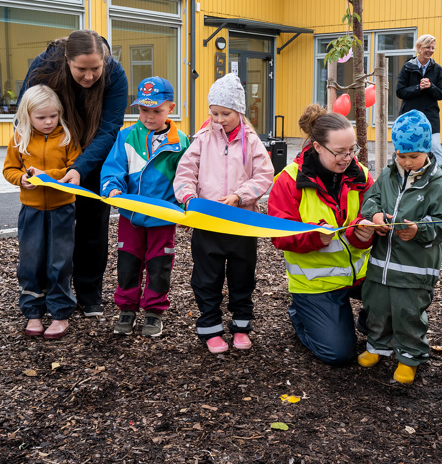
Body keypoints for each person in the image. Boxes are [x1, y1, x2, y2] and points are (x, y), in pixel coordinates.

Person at [20, 30, 129, 318]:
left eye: (96, 68)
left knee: (93, 226)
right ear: (67, 60)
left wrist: (80, 167)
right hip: (53, 158)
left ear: (104, 61)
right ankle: (48, 292)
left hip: (93, 157)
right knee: (52, 230)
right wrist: (29, 161)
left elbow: (109, 129)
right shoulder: (45, 66)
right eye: (82, 69)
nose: (90, 76)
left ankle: (89, 293)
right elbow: (26, 112)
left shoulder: (115, 76)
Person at [173, 73, 275, 354]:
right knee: (207, 278)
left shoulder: (252, 142)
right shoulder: (203, 139)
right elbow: (185, 171)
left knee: (243, 276)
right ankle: (210, 327)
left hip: (242, 223)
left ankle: (241, 326)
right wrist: (188, 198)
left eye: (225, 113)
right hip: (207, 223)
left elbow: (265, 174)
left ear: (239, 111)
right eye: (213, 112)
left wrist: (240, 195)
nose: (218, 119)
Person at [356, 110, 442, 384]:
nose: (407, 161)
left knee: (408, 313)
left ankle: (409, 356)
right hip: (381, 265)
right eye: (402, 155)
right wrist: (375, 216)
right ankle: (377, 345)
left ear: (426, 150)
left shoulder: (438, 185)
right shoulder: (389, 175)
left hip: (415, 269)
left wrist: (419, 230)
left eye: (414, 156)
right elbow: (371, 199)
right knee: (376, 306)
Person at [268, 104, 376, 365]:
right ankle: (301, 315)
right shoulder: (288, 181)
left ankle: (369, 319)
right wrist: (314, 237)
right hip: (316, 284)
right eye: (339, 152)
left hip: (361, 277)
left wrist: (364, 233)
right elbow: (278, 236)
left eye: (352, 150)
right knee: (339, 355)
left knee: (405, 294)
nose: (347, 158)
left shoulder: (359, 174)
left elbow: (373, 214)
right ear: (317, 147)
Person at [100, 77, 190, 338]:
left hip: (163, 218)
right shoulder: (126, 137)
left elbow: (188, 178)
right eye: (143, 110)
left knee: (159, 265)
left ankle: (153, 311)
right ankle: (126, 308)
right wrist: (112, 188)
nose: (149, 116)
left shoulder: (182, 142)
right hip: (130, 216)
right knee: (127, 262)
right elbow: (113, 168)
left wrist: (186, 206)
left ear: (170, 108)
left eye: (156, 111)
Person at [2, 85, 82, 340]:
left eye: (53, 116)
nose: (48, 122)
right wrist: (21, 180)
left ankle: (60, 313)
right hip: (31, 210)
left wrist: (50, 177)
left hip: (62, 210)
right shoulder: (19, 138)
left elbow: (73, 169)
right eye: (41, 117)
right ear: (28, 116)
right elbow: (10, 169)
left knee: (60, 261)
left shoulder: (67, 138)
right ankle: (33, 311)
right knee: (30, 260)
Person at [396, 34, 442, 171]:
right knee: (407, 149)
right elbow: (400, 92)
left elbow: (441, 94)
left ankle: (441, 178)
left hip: (431, 116)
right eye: (427, 47)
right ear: (419, 48)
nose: (430, 50)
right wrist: (419, 87)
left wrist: (430, 87)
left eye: (433, 48)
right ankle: (406, 177)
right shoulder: (407, 67)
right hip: (410, 116)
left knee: (435, 149)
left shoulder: (437, 69)